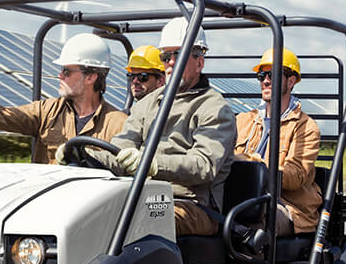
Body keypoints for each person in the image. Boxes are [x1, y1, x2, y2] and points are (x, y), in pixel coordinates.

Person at [67, 15, 235, 237]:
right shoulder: (149, 103)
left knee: (138, 221)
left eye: (179, 55)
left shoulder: (215, 108)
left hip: (191, 205)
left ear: (199, 62)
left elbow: (204, 165)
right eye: (166, 56)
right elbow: (120, 150)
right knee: (80, 212)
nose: (171, 62)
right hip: (142, 195)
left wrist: (153, 165)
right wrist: (82, 156)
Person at [0, 32, 128, 164]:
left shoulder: (119, 124)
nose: (60, 76)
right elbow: (2, 116)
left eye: (67, 71)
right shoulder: (47, 111)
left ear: (91, 77)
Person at [235, 47, 324, 264]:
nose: (265, 80)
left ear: (291, 80)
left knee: (255, 220)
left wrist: (255, 165)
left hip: (287, 207)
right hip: (243, 198)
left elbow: (296, 176)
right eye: (262, 75)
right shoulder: (243, 121)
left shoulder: (306, 127)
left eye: (273, 74)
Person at [124, 45, 165, 113]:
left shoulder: (165, 113)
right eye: (131, 76)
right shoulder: (127, 115)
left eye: (142, 77)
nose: (135, 81)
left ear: (160, 81)